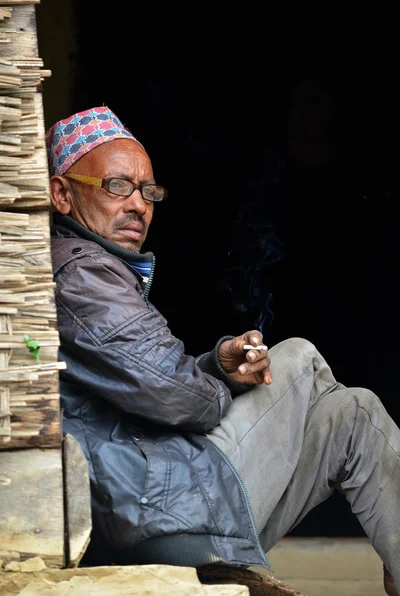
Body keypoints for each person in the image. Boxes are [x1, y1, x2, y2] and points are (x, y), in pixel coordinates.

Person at [46, 106, 400, 596]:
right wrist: (215, 386)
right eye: (116, 186)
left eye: (149, 192)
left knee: (353, 411)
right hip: (161, 511)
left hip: (172, 496)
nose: (139, 205)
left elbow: (156, 382)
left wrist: (217, 366)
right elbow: (183, 399)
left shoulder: (95, 270)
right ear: (61, 194)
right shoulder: (81, 274)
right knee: (297, 357)